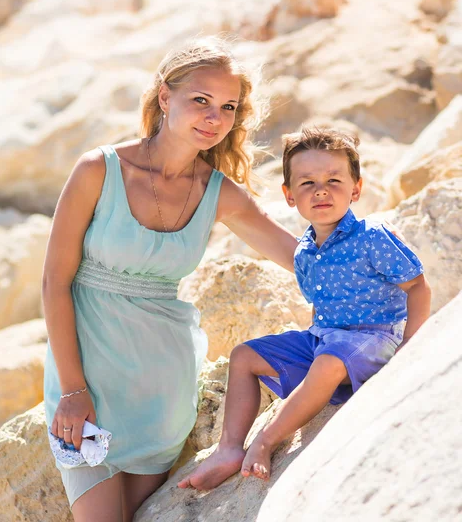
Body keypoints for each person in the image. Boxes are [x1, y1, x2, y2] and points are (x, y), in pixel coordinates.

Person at [42, 36, 300, 522]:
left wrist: (375, 270)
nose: (214, 117)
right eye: (200, 100)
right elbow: (54, 284)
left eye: (227, 106)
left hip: (161, 390)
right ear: (165, 98)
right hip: (87, 381)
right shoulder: (99, 170)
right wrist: (73, 390)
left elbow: (295, 255)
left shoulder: (219, 192)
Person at [178, 127, 431, 491]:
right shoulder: (304, 253)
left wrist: (411, 347)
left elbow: (418, 285)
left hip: (374, 338)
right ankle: (229, 448)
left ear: (356, 188)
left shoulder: (372, 235)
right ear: (289, 196)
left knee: (327, 362)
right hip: (325, 339)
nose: (321, 190)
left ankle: (267, 438)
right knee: (244, 356)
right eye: (307, 182)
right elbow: (322, 310)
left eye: (333, 180)